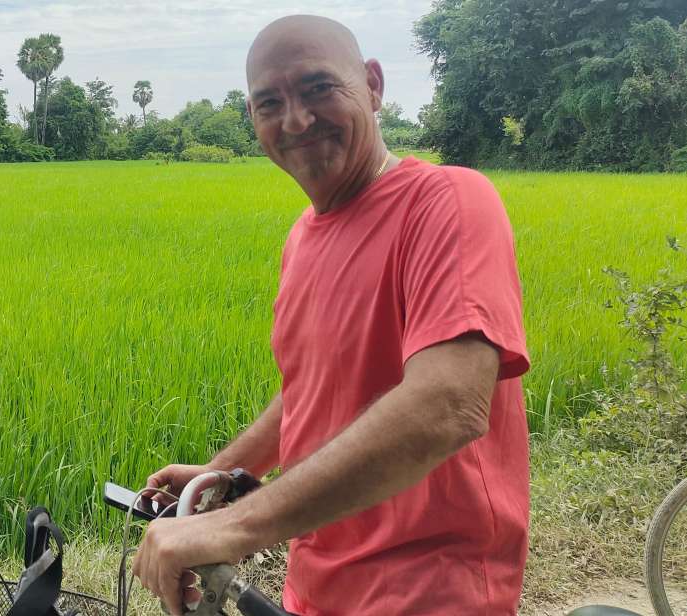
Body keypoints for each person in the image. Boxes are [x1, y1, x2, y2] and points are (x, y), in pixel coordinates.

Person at [131, 15, 531, 616]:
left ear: (372, 85)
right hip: (318, 581)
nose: (295, 119)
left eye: (319, 88)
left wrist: (237, 527)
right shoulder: (304, 238)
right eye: (271, 102)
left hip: (428, 592)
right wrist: (224, 474)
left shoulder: (447, 202)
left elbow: (450, 403)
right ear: (253, 119)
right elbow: (314, 389)